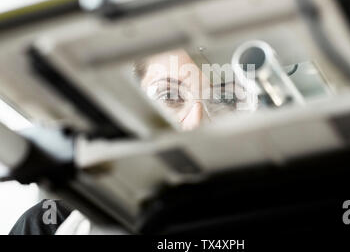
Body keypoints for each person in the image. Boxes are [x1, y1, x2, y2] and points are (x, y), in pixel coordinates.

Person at [9, 49, 250, 235]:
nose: (195, 123)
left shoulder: (263, 213)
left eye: (220, 102)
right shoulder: (48, 223)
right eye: (169, 96)